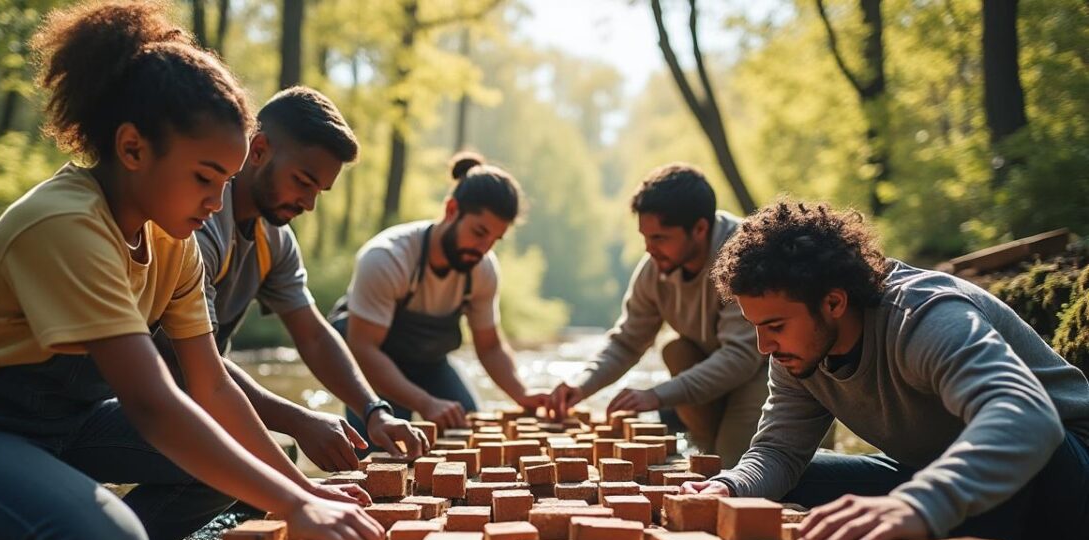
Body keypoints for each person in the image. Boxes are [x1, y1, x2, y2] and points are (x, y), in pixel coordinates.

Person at [0, 1, 383, 540]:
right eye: (203, 177)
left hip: (67, 424)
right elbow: (152, 403)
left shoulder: (173, 241)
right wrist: (296, 506)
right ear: (133, 148)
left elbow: (211, 385)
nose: (217, 199)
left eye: (225, 181)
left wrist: (302, 492)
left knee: (218, 476)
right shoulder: (67, 225)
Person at [685, 200, 1089, 540]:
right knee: (797, 480)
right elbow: (778, 451)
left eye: (774, 326)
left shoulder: (925, 317)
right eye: (756, 327)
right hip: (942, 469)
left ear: (834, 302)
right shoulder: (798, 349)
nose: (763, 346)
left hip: (1065, 478)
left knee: (1004, 447)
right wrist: (730, 487)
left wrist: (917, 504)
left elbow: (1028, 417)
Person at [154, 86, 428, 471]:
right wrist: (299, 421)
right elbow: (188, 359)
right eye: (303, 181)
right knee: (257, 463)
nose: (310, 203)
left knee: (279, 460)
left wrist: (373, 410)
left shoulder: (276, 239)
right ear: (260, 150)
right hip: (144, 396)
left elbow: (313, 336)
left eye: (320, 191)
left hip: (202, 397)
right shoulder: (200, 225)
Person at [548, 164, 767, 467]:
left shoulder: (744, 254)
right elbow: (627, 342)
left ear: (700, 229)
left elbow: (741, 357)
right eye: (645, 237)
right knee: (676, 352)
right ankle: (711, 447)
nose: (649, 249)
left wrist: (656, 396)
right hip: (716, 374)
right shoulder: (655, 268)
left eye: (660, 238)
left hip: (768, 372)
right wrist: (581, 385)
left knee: (737, 473)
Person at [331, 152, 547, 435]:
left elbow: (490, 347)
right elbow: (363, 350)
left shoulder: (483, 270)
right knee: (381, 453)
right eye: (479, 232)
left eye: (495, 240)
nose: (483, 248)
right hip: (372, 366)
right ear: (451, 210)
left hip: (430, 364)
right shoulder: (386, 258)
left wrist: (522, 394)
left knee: (468, 432)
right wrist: (426, 403)